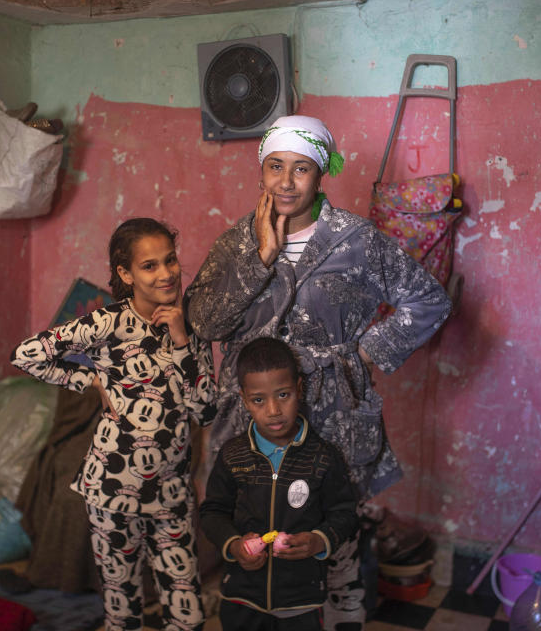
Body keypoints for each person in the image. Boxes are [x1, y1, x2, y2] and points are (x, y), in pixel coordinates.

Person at [185, 115, 451, 629]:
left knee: (332, 546)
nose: (286, 182)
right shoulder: (237, 241)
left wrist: (362, 354)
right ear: (261, 172)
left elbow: (427, 300)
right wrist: (260, 259)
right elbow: (204, 322)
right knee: (253, 543)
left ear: (322, 172)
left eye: (301, 168)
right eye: (275, 167)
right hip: (250, 420)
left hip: (331, 415)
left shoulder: (355, 240)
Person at [11, 218, 216, 631]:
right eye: (149, 265)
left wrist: (180, 341)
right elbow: (27, 353)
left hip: (171, 492)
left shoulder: (190, 327)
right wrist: (88, 380)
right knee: (123, 615)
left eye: (170, 261)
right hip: (111, 489)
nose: (166, 273)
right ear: (126, 274)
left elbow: (206, 409)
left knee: (189, 616)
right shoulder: (107, 324)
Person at [200, 337, 358, 631]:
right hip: (241, 596)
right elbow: (212, 512)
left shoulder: (323, 457)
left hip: (301, 599)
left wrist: (318, 541)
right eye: (259, 400)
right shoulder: (233, 455)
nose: (273, 410)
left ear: (299, 389)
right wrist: (234, 545)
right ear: (245, 399)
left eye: (283, 395)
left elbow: (345, 513)